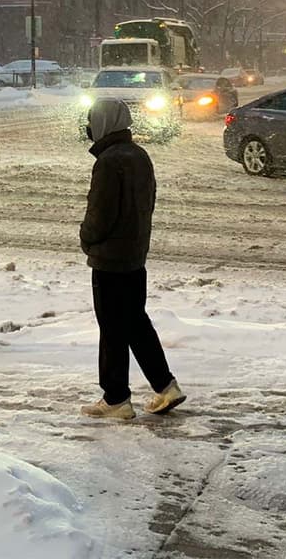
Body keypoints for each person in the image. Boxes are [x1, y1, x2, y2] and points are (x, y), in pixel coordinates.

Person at [79, 97, 184, 420]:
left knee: (112, 328)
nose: (88, 127)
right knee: (136, 323)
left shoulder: (109, 162)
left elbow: (100, 214)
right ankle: (165, 385)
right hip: (135, 257)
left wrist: (87, 237)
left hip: (110, 259)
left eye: (91, 120)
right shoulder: (139, 156)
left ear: (104, 123)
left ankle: (116, 399)